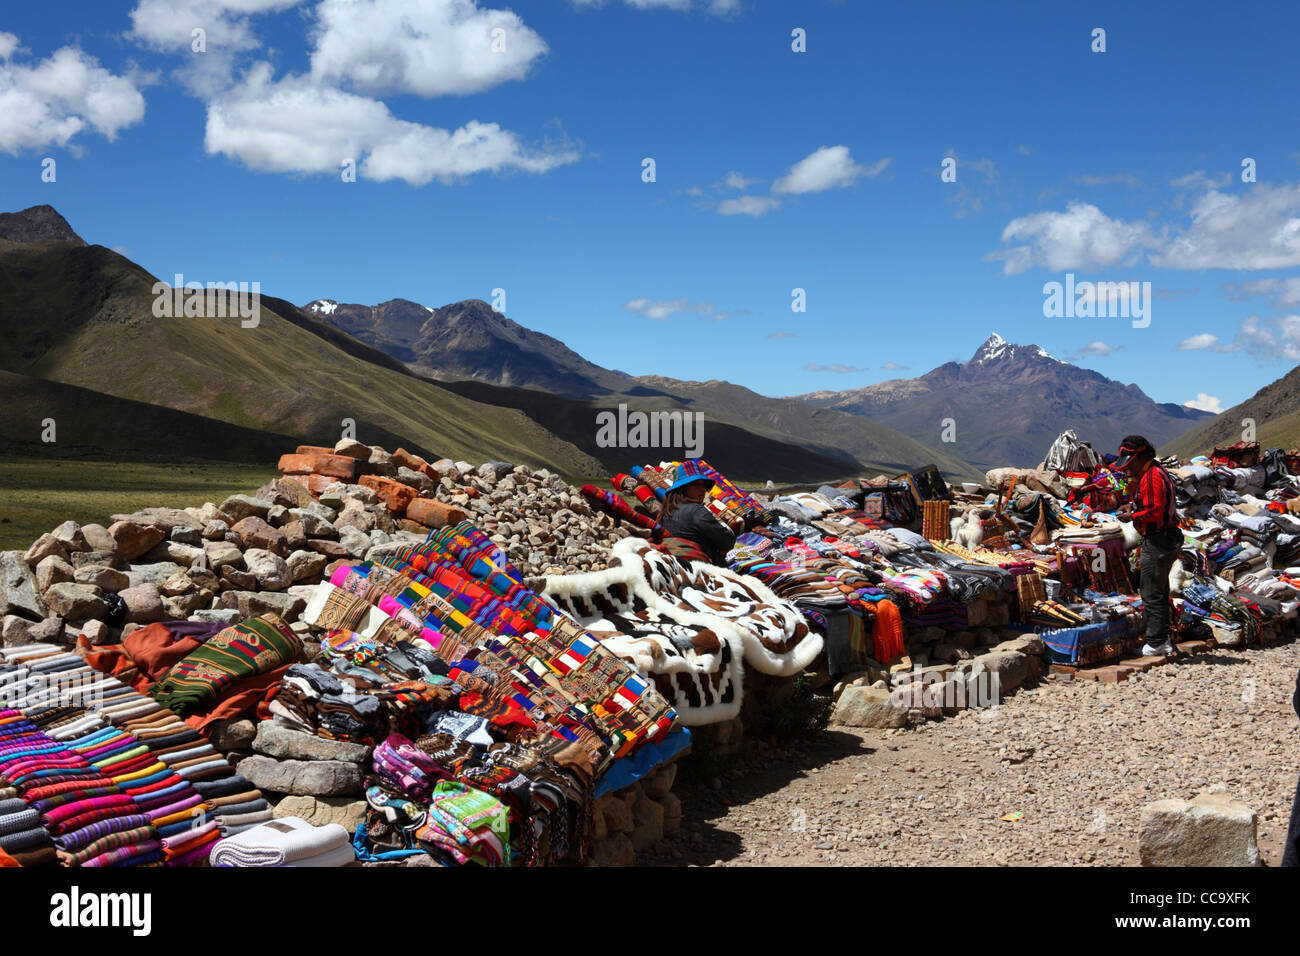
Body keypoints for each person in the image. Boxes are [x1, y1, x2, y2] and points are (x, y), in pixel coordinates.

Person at [1114, 435, 1182, 657]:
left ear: (1141, 457)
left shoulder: (1151, 477)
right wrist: (1132, 507)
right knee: (1159, 590)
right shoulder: (1153, 473)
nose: (1128, 467)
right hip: (1166, 536)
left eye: (1131, 462)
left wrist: (1132, 515)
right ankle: (1162, 638)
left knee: (1151, 590)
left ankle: (1156, 642)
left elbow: (1155, 511)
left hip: (1159, 538)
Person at [659, 462, 736, 565]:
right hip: (706, 569)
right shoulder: (697, 511)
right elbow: (727, 542)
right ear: (683, 487)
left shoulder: (667, 510)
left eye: (704, 484)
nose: (702, 489)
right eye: (696, 484)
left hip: (678, 565)